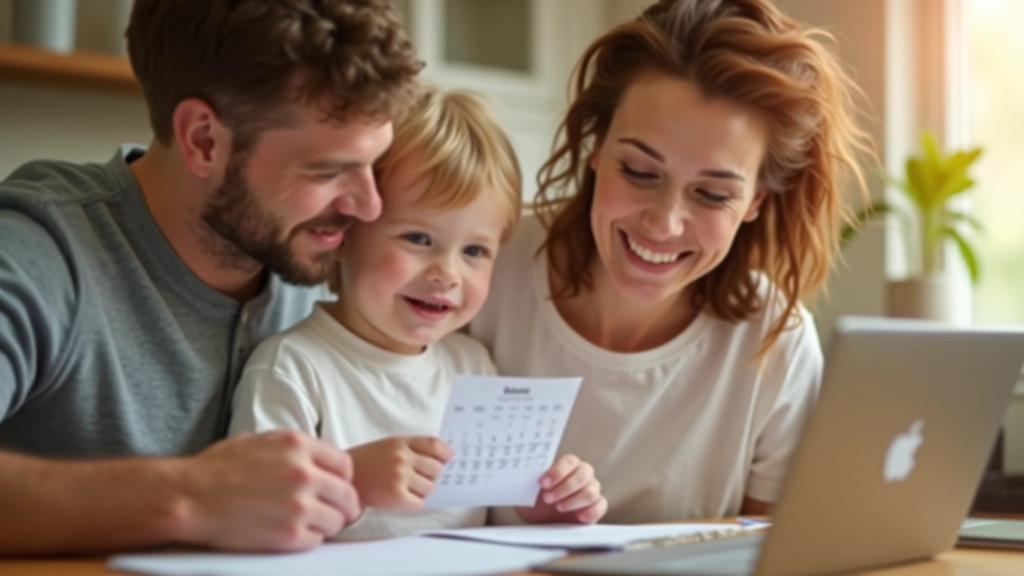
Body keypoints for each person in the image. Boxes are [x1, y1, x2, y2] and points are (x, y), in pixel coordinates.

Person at [0, 0, 422, 554]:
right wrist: (191, 495)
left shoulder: (324, 260)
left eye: (374, 163)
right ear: (203, 140)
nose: (369, 207)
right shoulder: (41, 249)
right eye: (327, 170)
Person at [469, 0, 872, 524]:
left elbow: (766, 557)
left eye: (711, 194)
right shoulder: (481, 265)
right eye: (639, 171)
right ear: (597, 144)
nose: (662, 224)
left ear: (754, 202)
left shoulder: (776, 342)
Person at [229, 86, 608, 539]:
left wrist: (544, 504)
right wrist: (352, 480)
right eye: (418, 239)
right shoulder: (292, 369)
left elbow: (494, 507)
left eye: (474, 250)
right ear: (344, 233)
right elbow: (250, 516)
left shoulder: (474, 367)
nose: (447, 273)